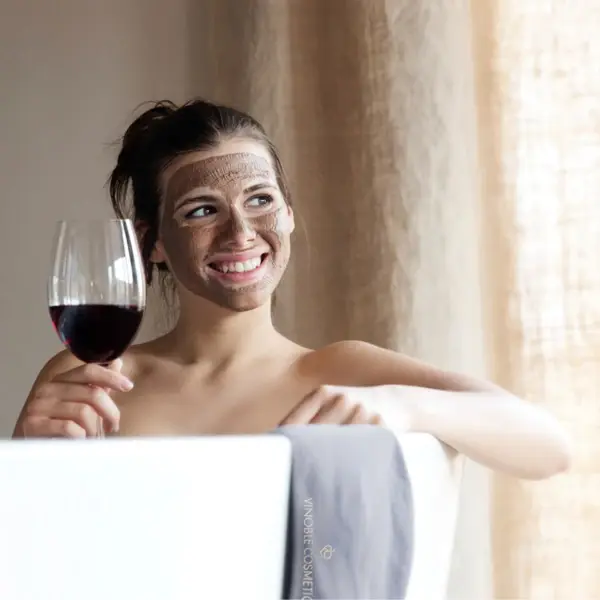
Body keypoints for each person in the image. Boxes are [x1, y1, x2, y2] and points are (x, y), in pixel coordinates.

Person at [12, 98, 572, 480]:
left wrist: (401, 405)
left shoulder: (342, 373)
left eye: (260, 200)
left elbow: (548, 447)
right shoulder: (89, 381)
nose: (240, 232)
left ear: (289, 213)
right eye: (201, 209)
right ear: (150, 242)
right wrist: (27, 464)